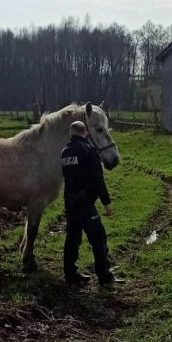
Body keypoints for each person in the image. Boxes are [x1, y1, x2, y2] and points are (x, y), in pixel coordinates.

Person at [60, 120, 123, 286]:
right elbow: (97, 180)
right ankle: (104, 276)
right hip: (84, 203)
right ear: (85, 133)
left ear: (71, 133)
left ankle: (70, 273)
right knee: (99, 238)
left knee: (72, 238)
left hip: (70, 201)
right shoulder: (88, 151)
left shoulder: (65, 152)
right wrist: (106, 202)